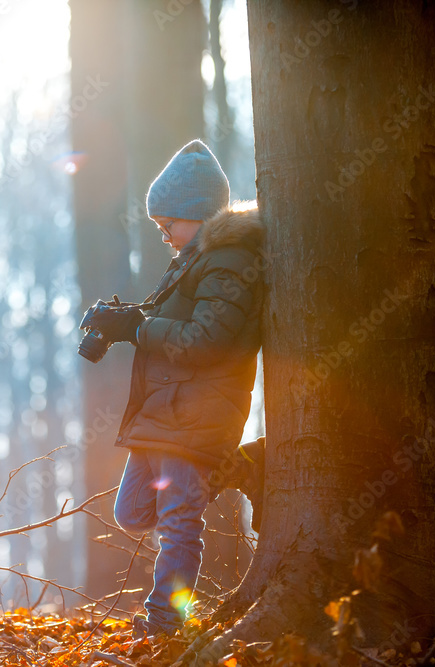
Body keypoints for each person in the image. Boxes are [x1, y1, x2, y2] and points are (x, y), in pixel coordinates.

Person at [81, 139, 266, 638]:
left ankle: (166, 622)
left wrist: (139, 330)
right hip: (163, 413)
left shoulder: (229, 260)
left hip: (197, 414)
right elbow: (176, 323)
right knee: (131, 511)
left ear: (198, 214)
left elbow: (204, 340)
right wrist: (126, 320)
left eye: (169, 224)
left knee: (179, 523)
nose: (163, 235)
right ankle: (230, 468)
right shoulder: (194, 258)